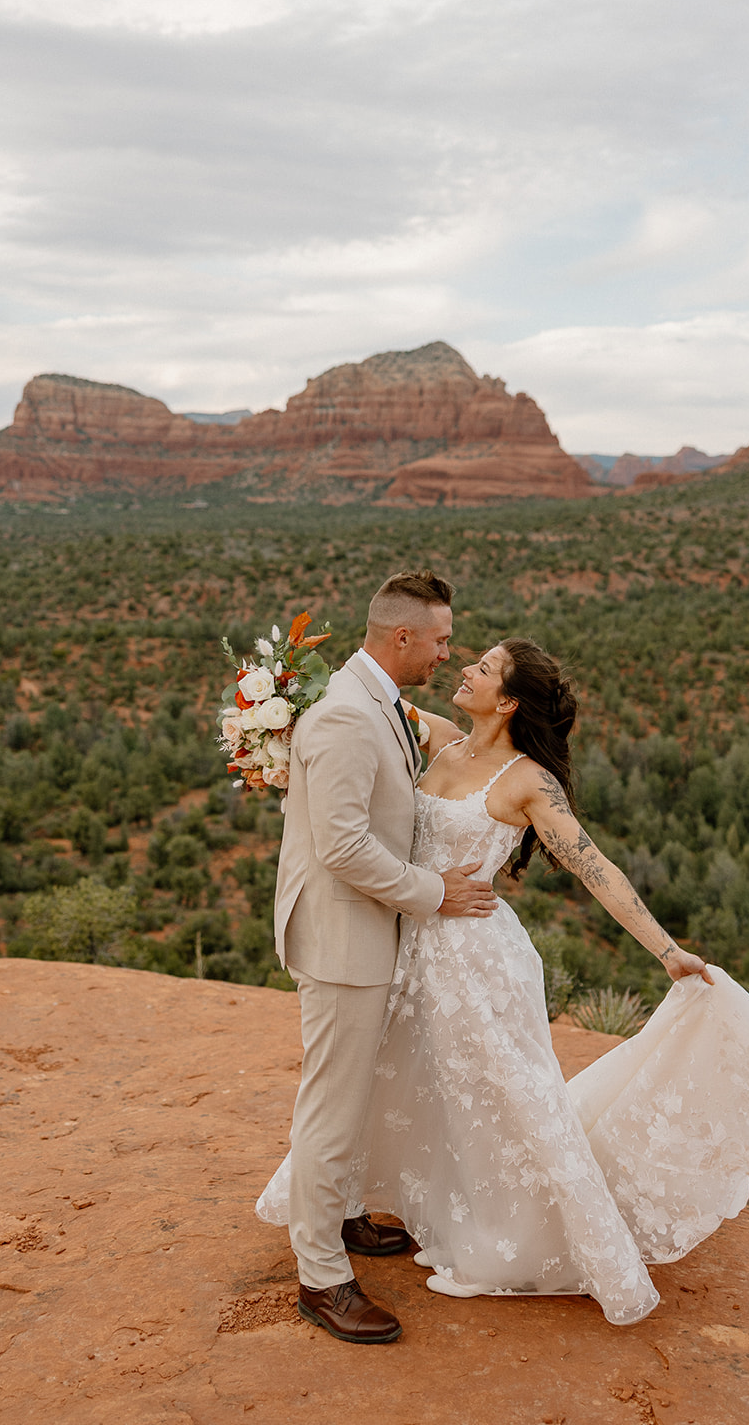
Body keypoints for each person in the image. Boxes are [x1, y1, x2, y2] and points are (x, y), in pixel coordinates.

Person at [259, 636, 749, 1327]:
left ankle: (514, 1238)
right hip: (407, 946)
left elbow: (596, 868)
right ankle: (350, 1206)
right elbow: (355, 701)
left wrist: (667, 951)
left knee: (495, 1096)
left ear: (506, 701)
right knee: (387, 1075)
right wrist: (273, 693)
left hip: (474, 962)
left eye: (483, 667)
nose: (464, 667)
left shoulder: (528, 781)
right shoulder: (433, 737)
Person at [271, 570, 498, 1345]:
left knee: (355, 1089)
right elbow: (341, 847)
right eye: (439, 640)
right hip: (341, 936)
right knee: (331, 1103)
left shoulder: (379, 701)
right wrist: (435, 891)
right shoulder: (342, 717)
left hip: (369, 930)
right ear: (400, 638)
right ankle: (320, 1277)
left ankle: (338, 1214)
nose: (446, 652)